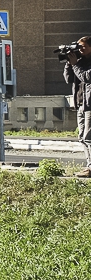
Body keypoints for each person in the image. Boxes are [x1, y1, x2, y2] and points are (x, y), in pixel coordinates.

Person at [64, 36, 91, 177]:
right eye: (79, 47)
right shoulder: (79, 62)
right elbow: (68, 79)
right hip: (80, 104)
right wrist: (69, 63)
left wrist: (75, 65)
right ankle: (89, 166)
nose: (80, 49)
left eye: (83, 47)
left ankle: (90, 168)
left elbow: (86, 77)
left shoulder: (84, 64)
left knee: (89, 137)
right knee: (82, 138)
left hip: (90, 105)